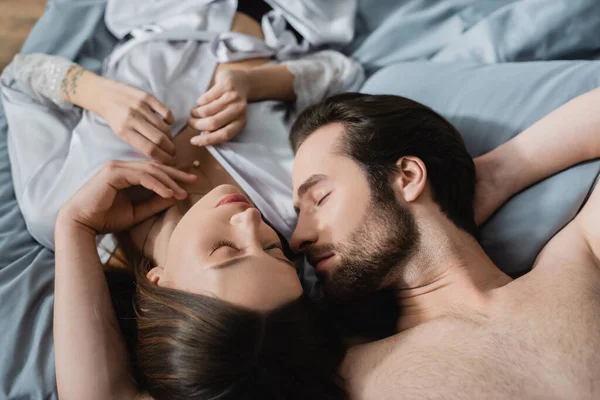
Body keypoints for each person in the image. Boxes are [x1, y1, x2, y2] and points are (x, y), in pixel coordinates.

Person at [1, 1, 362, 399]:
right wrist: (252, 82)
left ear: (160, 282)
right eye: (273, 248)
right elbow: (343, 71)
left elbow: (19, 79)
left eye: (225, 250)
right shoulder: (292, 204)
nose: (249, 222)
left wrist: (94, 93)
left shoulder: (58, 204)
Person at [288, 92, 600, 399]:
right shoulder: (346, 375)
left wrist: (498, 174)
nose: (297, 238)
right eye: (299, 214)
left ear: (408, 176)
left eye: (320, 198)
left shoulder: (577, 263)